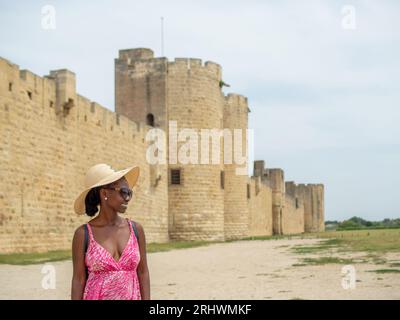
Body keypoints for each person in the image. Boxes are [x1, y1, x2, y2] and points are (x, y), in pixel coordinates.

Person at [70, 163, 150, 300]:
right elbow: (78, 280)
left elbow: (142, 272)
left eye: (129, 192)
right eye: (123, 192)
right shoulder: (83, 234)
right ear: (105, 193)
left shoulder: (136, 230)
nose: (128, 198)